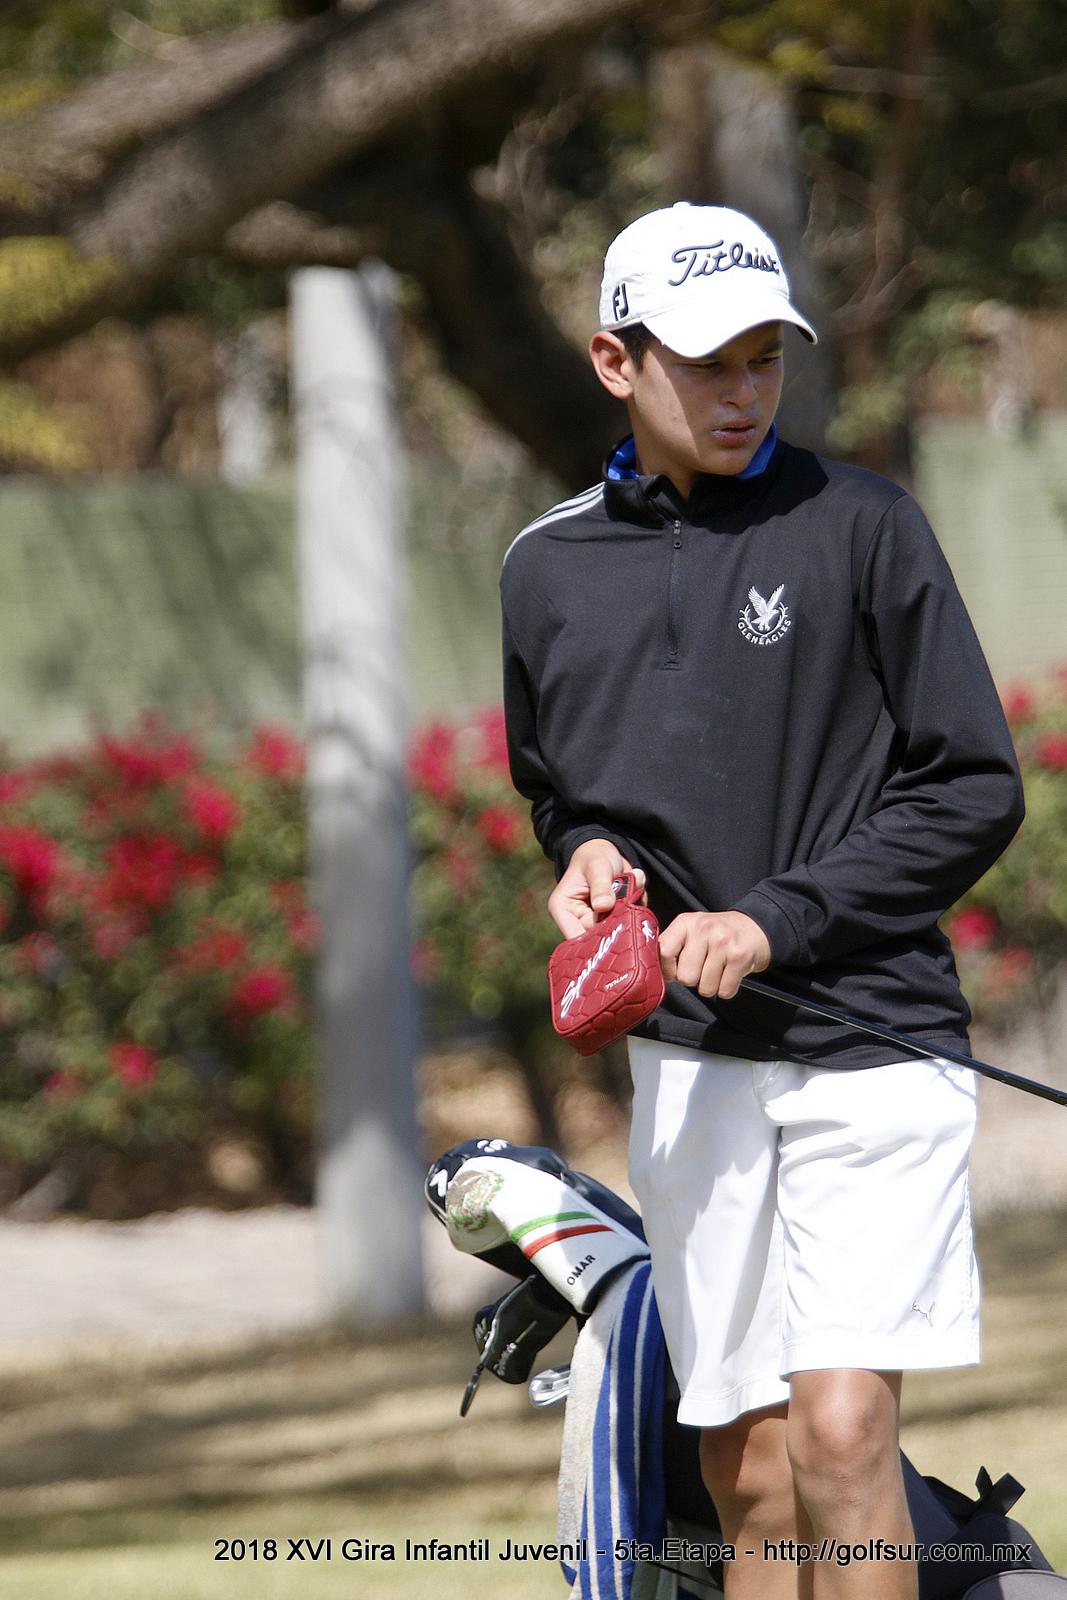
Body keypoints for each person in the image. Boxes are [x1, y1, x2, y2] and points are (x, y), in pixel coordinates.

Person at [499, 201, 1025, 1599]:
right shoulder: (545, 570)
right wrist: (584, 852)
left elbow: (973, 788)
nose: (742, 393)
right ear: (616, 362)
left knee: (843, 1435)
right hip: (691, 1063)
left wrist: (777, 919)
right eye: (705, 364)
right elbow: (560, 788)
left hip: (877, 1039)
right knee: (749, 1475)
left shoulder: (864, 526)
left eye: (763, 360)